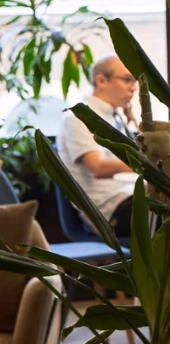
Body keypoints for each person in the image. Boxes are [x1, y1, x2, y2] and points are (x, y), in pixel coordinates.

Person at [56, 56, 140, 235]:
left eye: (135, 81)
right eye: (127, 79)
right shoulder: (80, 118)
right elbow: (98, 167)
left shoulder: (114, 117)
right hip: (111, 210)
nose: (134, 87)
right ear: (101, 80)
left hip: (130, 198)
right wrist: (147, 164)